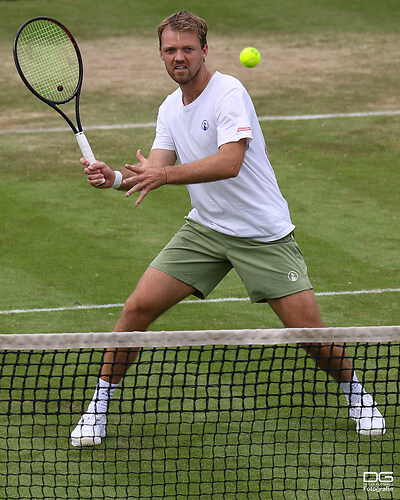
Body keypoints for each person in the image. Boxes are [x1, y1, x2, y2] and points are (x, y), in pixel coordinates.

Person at [71, 11, 385, 446]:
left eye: (186, 49)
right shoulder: (169, 107)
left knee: (309, 335)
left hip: (261, 233)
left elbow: (229, 162)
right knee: (136, 310)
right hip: (205, 231)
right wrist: (117, 178)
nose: (178, 57)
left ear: (204, 50)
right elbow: (156, 168)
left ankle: (357, 394)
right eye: (170, 50)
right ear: (160, 54)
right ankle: (98, 408)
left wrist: (164, 176)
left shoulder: (228, 92)